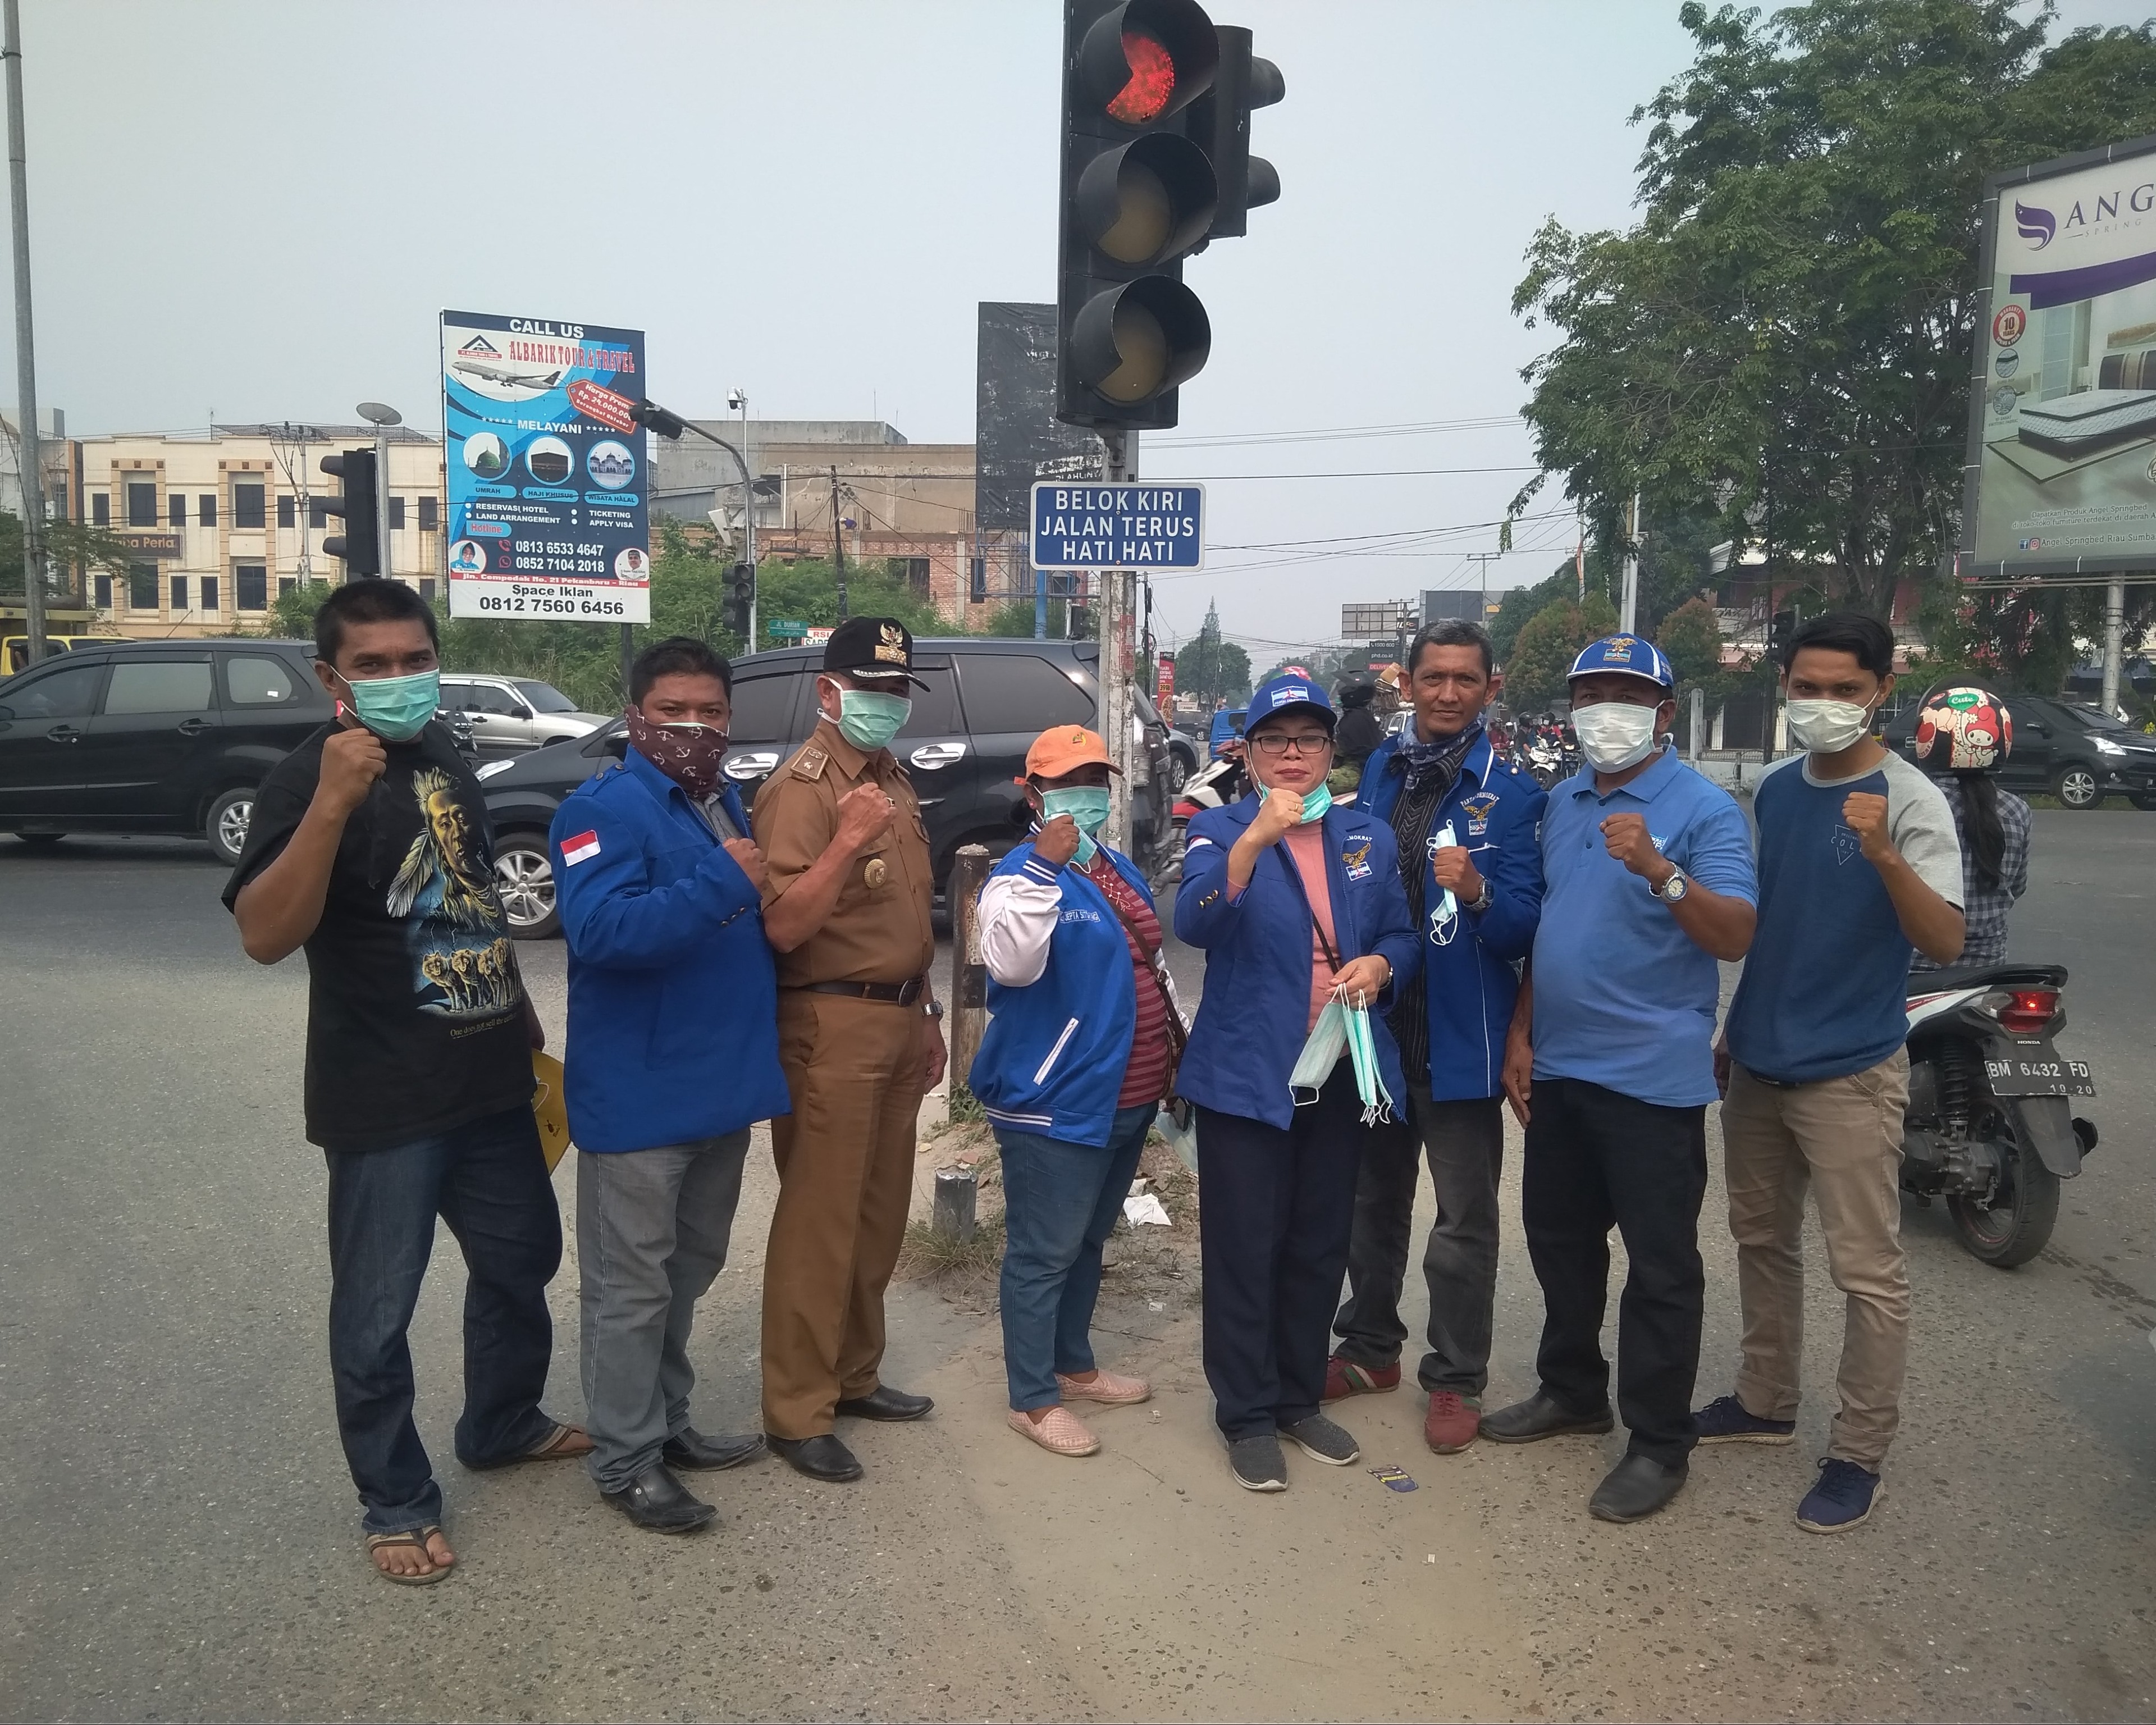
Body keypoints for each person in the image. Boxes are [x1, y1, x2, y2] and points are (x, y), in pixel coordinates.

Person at [224, 578, 586, 1586]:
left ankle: (502, 1421)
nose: (398, 679)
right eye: (373, 665)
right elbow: (263, 934)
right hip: (382, 1098)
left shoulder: (448, 759)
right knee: (376, 1310)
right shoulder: (305, 780)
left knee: (524, 1261)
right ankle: (394, 1495)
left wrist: (518, 1014)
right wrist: (336, 801)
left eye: (414, 659)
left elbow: (468, 899)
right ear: (329, 676)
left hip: (489, 1080)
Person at [1480, 636, 1758, 1522]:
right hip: (1560, 1065)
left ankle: (1658, 1438)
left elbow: (1734, 935)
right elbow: (1555, 928)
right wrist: (1522, 1030)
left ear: (1664, 713)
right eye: (1591, 693)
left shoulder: (1705, 810)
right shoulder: (1562, 802)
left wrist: (1660, 871)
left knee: (1662, 1268)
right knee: (1560, 1243)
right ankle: (1571, 1391)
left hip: (1651, 1079)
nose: (1606, 710)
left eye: (1627, 695)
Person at [1700, 611, 1965, 1534]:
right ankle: (1766, 1400)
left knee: (1868, 1272)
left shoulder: (1913, 799)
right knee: (1760, 1241)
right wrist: (1736, 1028)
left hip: (1852, 1070)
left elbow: (1945, 937)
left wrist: (1885, 849)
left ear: (1880, 691)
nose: (1822, 704)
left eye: (1844, 689)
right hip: (1761, 1063)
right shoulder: (1774, 789)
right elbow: (1776, 926)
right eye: (1806, 686)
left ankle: (1858, 1452)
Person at [550, 637, 790, 1534]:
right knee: (630, 1288)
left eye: (712, 713)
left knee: (686, 1275)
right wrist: (718, 881)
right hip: (641, 1098)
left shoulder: (720, 801)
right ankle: (625, 1459)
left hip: (718, 1090)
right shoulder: (598, 811)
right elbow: (602, 932)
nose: (695, 728)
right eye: (674, 712)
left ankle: (669, 1423)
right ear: (635, 716)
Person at [1175, 674, 1421, 1491]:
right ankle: (1244, 1413)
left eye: (1308, 740)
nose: (1292, 753)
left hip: (1340, 1072)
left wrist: (1382, 962)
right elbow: (1197, 922)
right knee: (1247, 1248)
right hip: (1249, 1075)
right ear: (1246, 753)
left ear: (1329, 754)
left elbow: (1399, 931)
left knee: (1319, 1242)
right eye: (1274, 740)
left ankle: (1293, 1395)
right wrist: (1252, 843)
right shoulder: (1219, 827)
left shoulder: (1364, 837)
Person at [1327, 618, 1546, 1455]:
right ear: (1409, 685)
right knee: (1370, 1202)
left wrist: (1485, 891)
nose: (1448, 694)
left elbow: (1530, 928)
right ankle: (1371, 1348)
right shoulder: (1382, 771)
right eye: (1433, 679)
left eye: (1465, 680)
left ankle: (1455, 1377)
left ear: (1490, 690)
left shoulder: (1518, 794)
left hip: (1461, 1041)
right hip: (1380, 1034)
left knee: (1462, 1222)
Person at [752, 617, 949, 1483]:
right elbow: (784, 926)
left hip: (901, 1018)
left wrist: (931, 1011)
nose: (887, 705)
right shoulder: (805, 788)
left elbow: (908, 916)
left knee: (876, 1216)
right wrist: (845, 839)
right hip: (830, 1022)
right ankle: (797, 1410)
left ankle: (854, 1374)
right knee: (820, 1225)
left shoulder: (892, 779)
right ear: (829, 694)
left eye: (898, 691)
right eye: (871, 691)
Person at [971, 725, 1176, 1457]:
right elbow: (1011, 964)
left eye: (1096, 779)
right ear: (1033, 794)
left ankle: (1074, 1365)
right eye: (1066, 782)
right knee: (1042, 1251)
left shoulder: (1117, 867)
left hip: (1127, 1094)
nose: (1085, 794)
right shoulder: (1016, 876)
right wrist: (1043, 870)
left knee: (1087, 1240)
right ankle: (1031, 1398)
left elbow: (1150, 959)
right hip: (1052, 1099)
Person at [1907, 686, 2029, 973]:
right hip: (1987, 967)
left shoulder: (1913, 803)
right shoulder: (2017, 810)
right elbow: (2017, 887)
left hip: (1915, 967)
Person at [1331, 673, 1387, 776]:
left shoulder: (1353, 720)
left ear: (1351, 694)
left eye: (1341, 692)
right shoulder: (1363, 716)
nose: (1339, 695)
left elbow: (1342, 752)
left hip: (1357, 770)